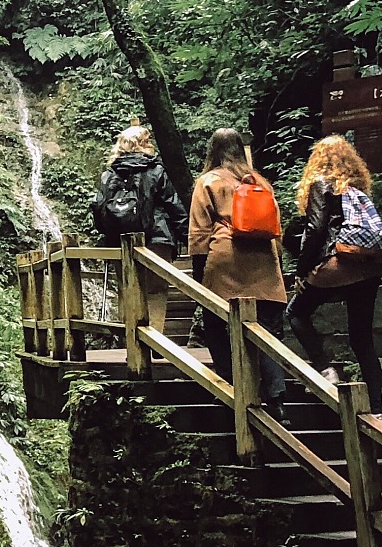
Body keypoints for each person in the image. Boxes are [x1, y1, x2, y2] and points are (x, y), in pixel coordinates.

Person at [286, 134, 382, 417]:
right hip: (367, 268)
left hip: (337, 264)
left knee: (296, 312)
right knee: (362, 338)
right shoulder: (357, 191)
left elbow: (317, 230)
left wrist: (302, 270)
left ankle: (325, 368)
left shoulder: (321, 184)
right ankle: (378, 410)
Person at [187, 127, 286, 410]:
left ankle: (229, 389)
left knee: (218, 326)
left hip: (225, 260)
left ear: (212, 151)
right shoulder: (260, 183)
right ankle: (277, 396)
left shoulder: (208, 182)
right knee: (264, 331)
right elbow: (275, 230)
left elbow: (199, 233)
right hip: (264, 262)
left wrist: (200, 275)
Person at [91, 124, 185, 330]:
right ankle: (155, 341)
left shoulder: (109, 174)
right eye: (147, 140)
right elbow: (172, 203)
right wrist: (186, 235)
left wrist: (107, 231)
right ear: (141, 145)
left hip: (119, 242)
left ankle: (131, 344)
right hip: (157, 239)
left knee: (128, 289)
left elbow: (98, 207)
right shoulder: (156, 171)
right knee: (156, 291)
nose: (151, 144)